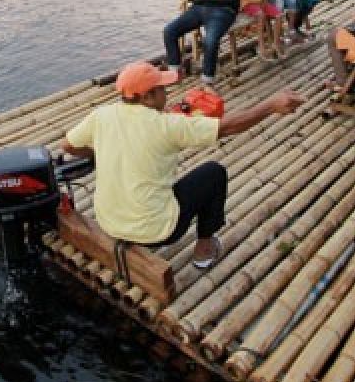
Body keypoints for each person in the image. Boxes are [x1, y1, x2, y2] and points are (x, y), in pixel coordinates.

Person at [58, 61, 305, 268]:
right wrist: (272, 105)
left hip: (109, 222)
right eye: (162, 89)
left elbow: (67, 146)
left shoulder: (101, 116)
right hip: (156, 232)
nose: (167, 93)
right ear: (147, 96)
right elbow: (230, 126)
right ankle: (204, 249)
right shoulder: (168, 126)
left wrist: (99, 154)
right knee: (213, 173)